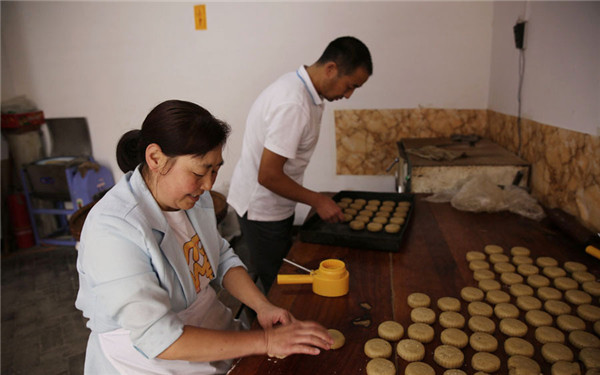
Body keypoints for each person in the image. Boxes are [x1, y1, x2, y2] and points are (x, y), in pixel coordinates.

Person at [74, 100, 333, 374]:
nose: (209, 184)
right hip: (147, 358)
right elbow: (158, 338)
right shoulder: (113, 229)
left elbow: (219, 257)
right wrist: (266, 341)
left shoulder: (194, 200)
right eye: (199, 171)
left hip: (207, 326)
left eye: (215, 169)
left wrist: (262, 306)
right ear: (155, 159)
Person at [227, 36, 373, 292]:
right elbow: (268, 175)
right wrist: (317, 200)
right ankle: (267, 328)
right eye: (350, 86)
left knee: (279, 271)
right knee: (277, 285)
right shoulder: (293, 103)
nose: (349, 95)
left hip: (276, 203)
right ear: (331, 69)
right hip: (262, 207)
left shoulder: (304, 91)